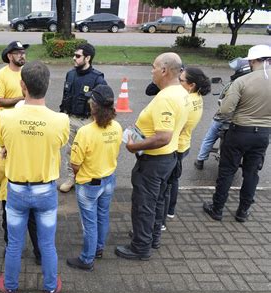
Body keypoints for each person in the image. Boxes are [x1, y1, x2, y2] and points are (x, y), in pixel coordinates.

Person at [0, 61, 69, 293]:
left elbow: (3, 146)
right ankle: (49, 290)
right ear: (47, 86)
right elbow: (58, 144)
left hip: (15, 190)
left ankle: (11, 289)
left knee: (15, 244)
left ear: (22, 85)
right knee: (47, 244)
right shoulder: (61, 120)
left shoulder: (5, 117)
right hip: (46, 190)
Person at [115, 53, 188, 260]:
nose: (151, 70)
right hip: (169, 158)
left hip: (154, 161)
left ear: (164, 70)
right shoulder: (181, 92)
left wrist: (133, 146)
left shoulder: (166, 98)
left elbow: (163, 136)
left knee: (144, 204)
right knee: (157, 201)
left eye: (154, 67)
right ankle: (150, 237)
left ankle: (140, 247)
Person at [203, 45, 271, 222]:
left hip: (239, 131)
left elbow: (225, 110)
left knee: (227, 171)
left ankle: (217, 208)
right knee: (251, 173)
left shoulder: (242, 81)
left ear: (252, 61)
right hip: (263, 135)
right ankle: (242, 211)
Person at [0, 41, 41, 264]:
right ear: (9, 55)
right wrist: (21, 100)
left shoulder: (29, 72)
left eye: (24, 52)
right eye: (19, 53)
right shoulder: (1, 75)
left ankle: (36, 250)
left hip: (29, 133)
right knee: (11, 210)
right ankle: (11, 246)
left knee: (20, 210)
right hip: (10, 133)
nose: (23, 55)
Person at [66, 85, 122, 271]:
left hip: (89, 184)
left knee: (89, 223)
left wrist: (78, 176)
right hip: (108, 180)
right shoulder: (117, 127)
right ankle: (98, 248)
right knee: (103, 215)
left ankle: (87, 259)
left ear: (93, 106)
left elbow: (75, 164)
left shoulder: (85, 132)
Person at [162, 67, 210, 227]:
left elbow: (173, 125)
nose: (177, 82)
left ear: (191, 85)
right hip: (184, 144)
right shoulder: (197, 96)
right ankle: (170, 210)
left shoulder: (186, 101)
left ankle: (163, 217)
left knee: (167, 184)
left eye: (180, 80)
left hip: (176, 145)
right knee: (173, 180)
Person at [59, 43, 108, 193]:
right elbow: (65, 96)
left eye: (78, 56)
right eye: (74, 55)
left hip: (88, 122)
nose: (74, 58)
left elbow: (104, 101)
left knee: (88, 152)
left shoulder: (97, 78)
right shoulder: (70, 74)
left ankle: (87, 178)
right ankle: (71, 178)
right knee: (70, 151)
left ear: (88, 58)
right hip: (70, 119)